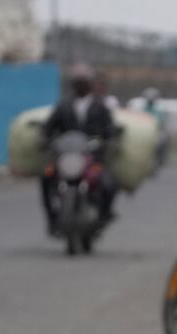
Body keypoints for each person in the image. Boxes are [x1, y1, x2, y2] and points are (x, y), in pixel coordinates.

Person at [40, 63, 119, 234]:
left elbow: (110, 128)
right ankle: (53, 219)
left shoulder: (100, 106)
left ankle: (103, 215)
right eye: (77, 82)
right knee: (46, 179)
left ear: (90, 83)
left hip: (92, 158)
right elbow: (49, 127)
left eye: (84, 81)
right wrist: (46, 140)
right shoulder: (63, 106)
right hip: (68, 157)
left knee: (108, 184)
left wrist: (108, 141)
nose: (80, 85)